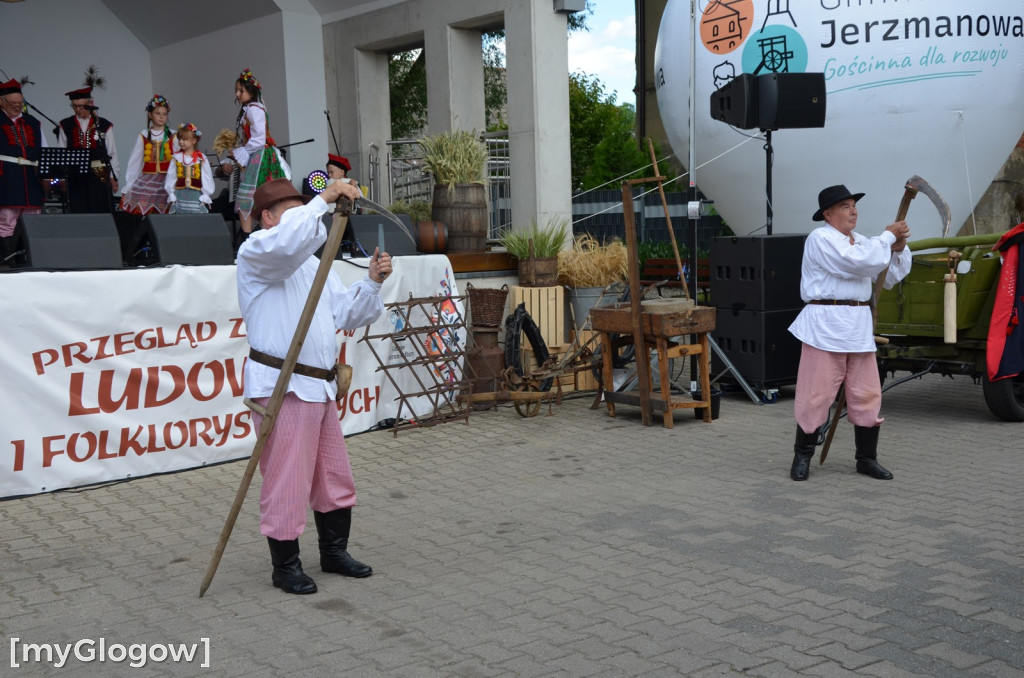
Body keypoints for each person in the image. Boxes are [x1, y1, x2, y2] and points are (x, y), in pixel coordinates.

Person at [236, 177, 391, 595]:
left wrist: (373, 282)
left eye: (300, 207)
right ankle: (285, 566)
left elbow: (346, 313)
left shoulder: (311, 264)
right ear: (266, 218)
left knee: (333, 474)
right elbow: (288, 243)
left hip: (319, 388)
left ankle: (333, 552)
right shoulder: (256, 253)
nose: (303, 216)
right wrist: (323, 199)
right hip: (282, 387)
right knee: (287, 477)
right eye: (288, 210)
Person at [787, 185, 912, 482]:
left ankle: (867, 459)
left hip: (857, 324)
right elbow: (857, 262)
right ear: (828, 214)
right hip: (825, 323)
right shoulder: (821, 238)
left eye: (854, 205)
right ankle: (802, 456)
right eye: (845, 206)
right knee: (815, 396)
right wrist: (886, 239)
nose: (853, 210)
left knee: (867, 394)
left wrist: (897, 249)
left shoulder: (864, 243)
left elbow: (890, 275)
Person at [220, 69, 289, 234]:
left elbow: (258, 139)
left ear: (251, 92)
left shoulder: (253, 109)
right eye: (236, 90)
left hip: (261, 157)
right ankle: (252, 236)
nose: (237, 94)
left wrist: (242, 152)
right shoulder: (251, 108)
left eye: (240, 90)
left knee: (247, 199)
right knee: (256, 199)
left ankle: (248, 237)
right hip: (258, 155)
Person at [0, 78, 46, 263]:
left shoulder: (32, 121)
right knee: (6, 221)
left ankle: (29, 259)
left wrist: (46, 176)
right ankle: (7, 260)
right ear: (1, 102)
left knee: (32, 220)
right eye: (13, 103)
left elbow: (44, 148)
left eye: (20, 103)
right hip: (6, 176)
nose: (17, 107)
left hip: (31, 178)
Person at [56, 86, 119, 213]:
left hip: (100, 173)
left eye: (81, 106)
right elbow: (61, 151)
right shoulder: (66, 124)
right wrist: (62, 178)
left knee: (101, 208)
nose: (78, 110)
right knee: (79, 208)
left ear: (90, 104)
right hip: (75, 174)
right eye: (74, 106)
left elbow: (112, 152)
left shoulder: (104, 124)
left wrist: (113, 177)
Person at [120, 94, 175, 215]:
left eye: (164, 114)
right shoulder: (144, 135)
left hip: (168, 180)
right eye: (157, 113)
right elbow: (135, 161)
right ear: (150, 115)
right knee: (149, 211)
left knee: (167, 211)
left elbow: (180, 157)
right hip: (149, 180)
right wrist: (129, 183)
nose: (161, 117)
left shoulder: (173, 135)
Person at [164, 123, 213, 213]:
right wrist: (171, 194)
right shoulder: (176, 158)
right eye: (179, 139)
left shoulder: (201, 158)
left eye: (184, 139)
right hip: (180, 196)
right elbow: (171, 177)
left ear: (193, 140)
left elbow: (207, 178)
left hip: (196, 197)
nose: (181, 142)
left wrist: (205, 196)